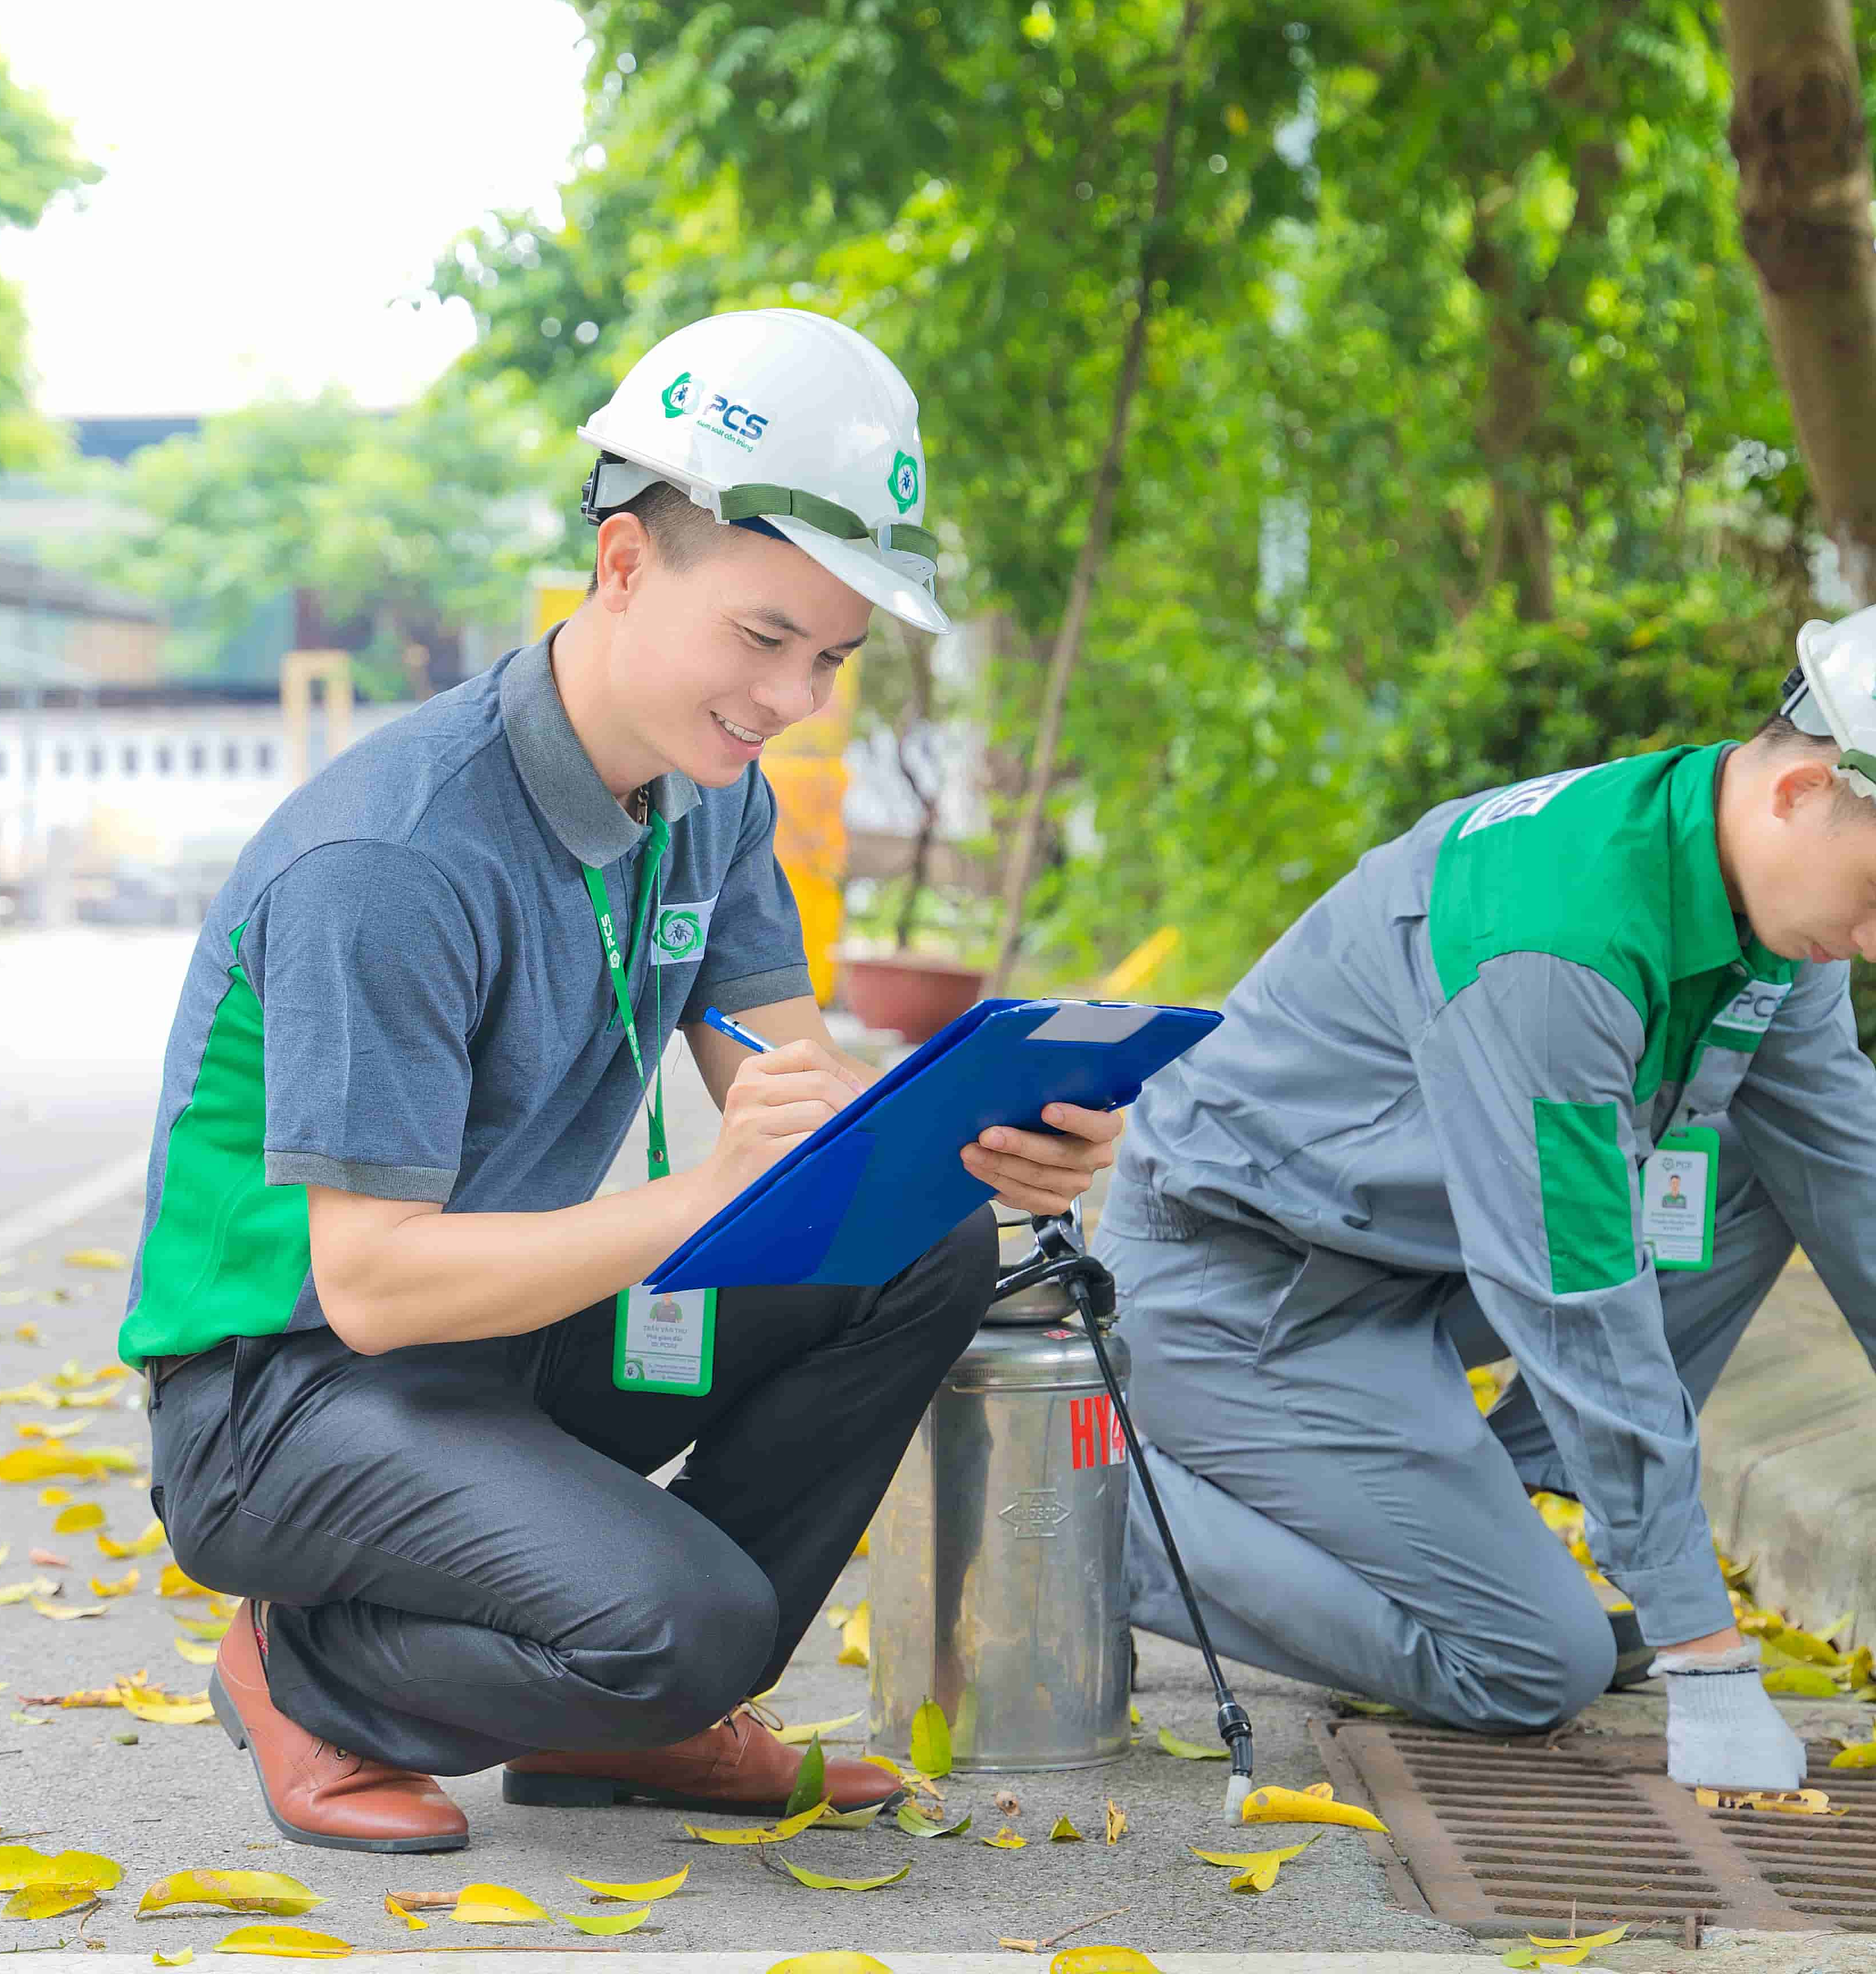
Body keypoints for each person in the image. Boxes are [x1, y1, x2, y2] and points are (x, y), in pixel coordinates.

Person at [116, 310, 1124, 1853]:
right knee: (691, 1624)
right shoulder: (391, 861)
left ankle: (614, 1719)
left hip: (491, 1347)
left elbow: (803, 1104)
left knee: (920, 1246)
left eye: (834, 659)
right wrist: (699, 1200)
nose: (794, 697)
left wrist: (977, 1140)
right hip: (288, 1396)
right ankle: (315, 1670)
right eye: (764, 638)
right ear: (626, 567)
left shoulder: (704, 797)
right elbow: (374, 1286)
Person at [1103, 597, 1876, 1791]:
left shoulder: (1766, 919)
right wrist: (1705, 1655)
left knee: (1776, 1168)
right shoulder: (1555, 944)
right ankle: (1092, 1524)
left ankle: (1463, 1515)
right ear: (1804, 790)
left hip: (1404, 1263)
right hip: (1244, 1293)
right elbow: (1574, 1285)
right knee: (1532, 1661)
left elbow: (1859, 1186)